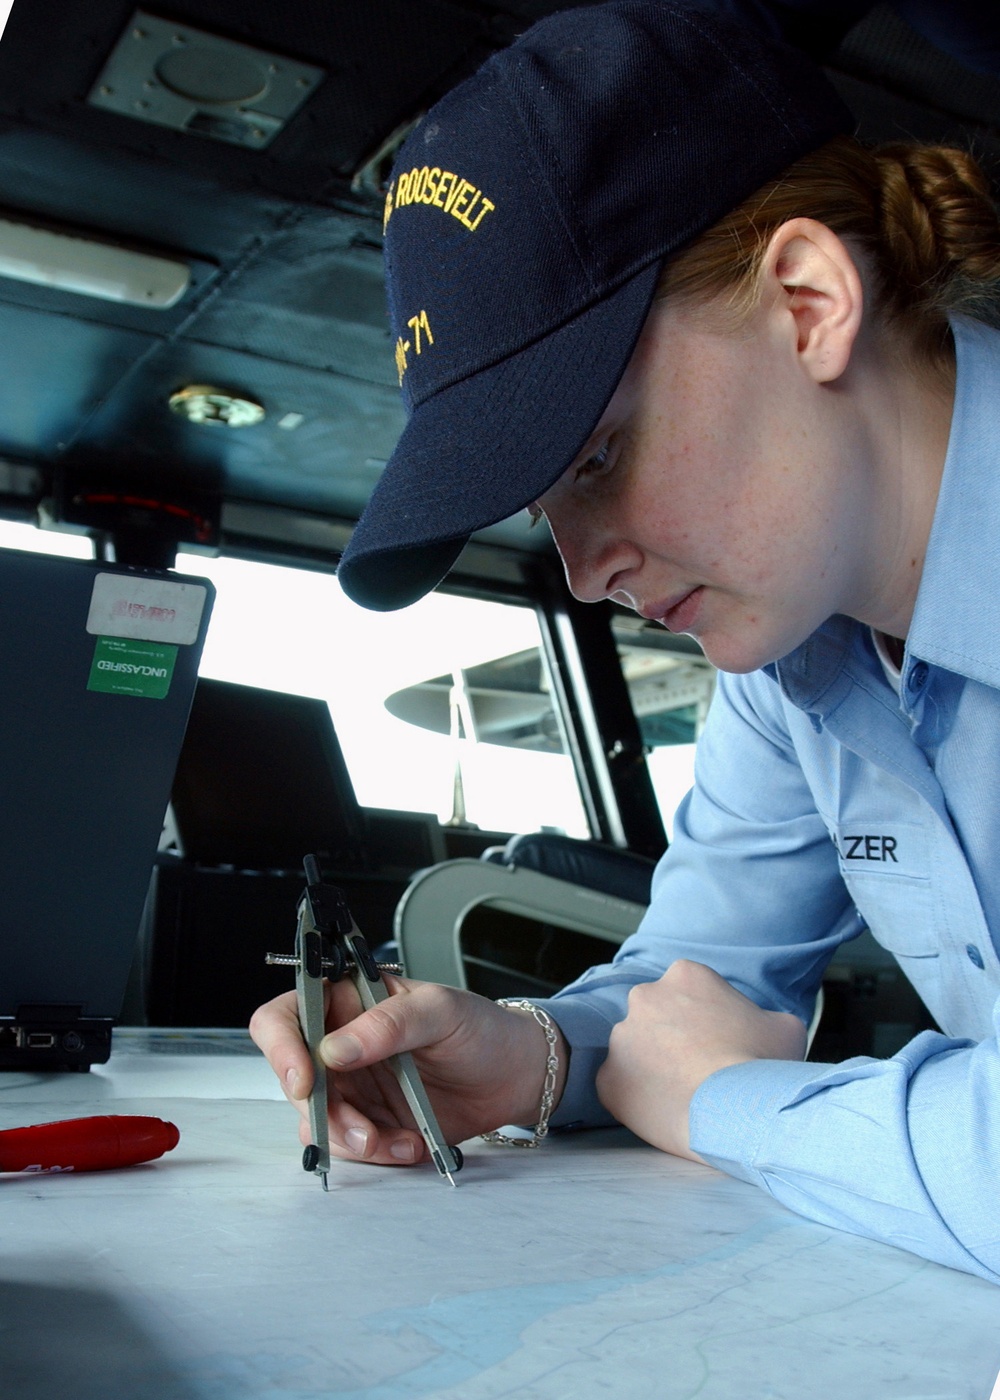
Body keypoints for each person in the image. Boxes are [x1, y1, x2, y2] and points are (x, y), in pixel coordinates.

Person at [250, 0, 1000, 1284]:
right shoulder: (792, 663)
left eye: (598, 456)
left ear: (808, 301)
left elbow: (698, 1064)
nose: (587, 573)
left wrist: (723, 1101)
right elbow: (690, 987)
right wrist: (536, 1054)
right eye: (547, 509)